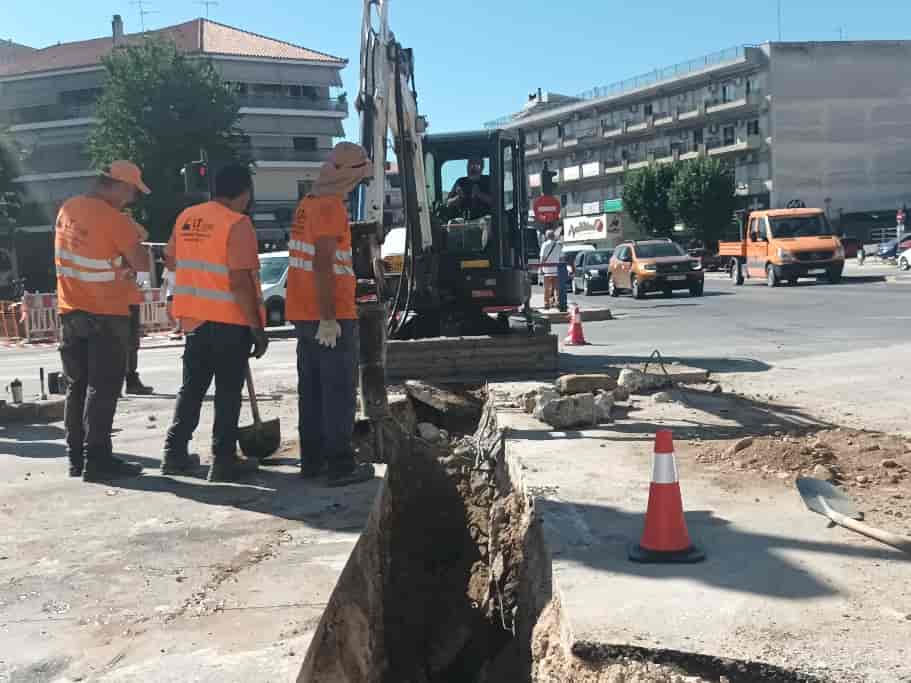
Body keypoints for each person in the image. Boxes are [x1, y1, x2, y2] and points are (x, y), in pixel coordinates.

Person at [162, 164, 269, 482]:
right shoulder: (238, 224)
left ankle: (174, 453)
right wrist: (256, 328)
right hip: (229, 321)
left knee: (192, 389)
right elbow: (238, 281)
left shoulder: (187, 217)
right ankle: (222, 460)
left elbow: (170, 258)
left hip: (194, 320)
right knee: (226, 394)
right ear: (245, 193)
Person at [55, 160, 151, 481]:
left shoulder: (67, 209)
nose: (132, 199)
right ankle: (98, 459)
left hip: (70, 310)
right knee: (104, 387)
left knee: (76, 387)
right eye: (133, 192)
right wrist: (133, 238)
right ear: (120, 186)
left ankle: (75, 458)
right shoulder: (116, 220)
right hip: (107, 314)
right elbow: (142, 263)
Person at [286, 142, 375, 487]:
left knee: (312, 390)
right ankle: (339, 464)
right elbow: (323, 262)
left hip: (303, 311)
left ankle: (313, 461)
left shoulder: (307, 204)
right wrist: (328, 317)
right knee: (338, 390)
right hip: (329, 315)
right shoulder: (330, 207)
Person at [123, 220, 154, 395]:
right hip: (120, 301)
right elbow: (143, 234)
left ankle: (130, 380)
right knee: (124, 344)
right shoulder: (118, 248)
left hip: (128, 299)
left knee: (131, 344)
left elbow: (144, 234)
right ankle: (129, 381)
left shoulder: (132, 250)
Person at [539, 229, 562, 309]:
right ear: (553, 236)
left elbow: (542, 258)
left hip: (547, 271)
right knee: (556, 288)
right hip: (556, 270)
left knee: (547, 288)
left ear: (546, 236)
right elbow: (561, 258)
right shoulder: (558, 246)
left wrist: (541, 269)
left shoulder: (544, 245)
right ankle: (557, 302)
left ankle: (546, 303)